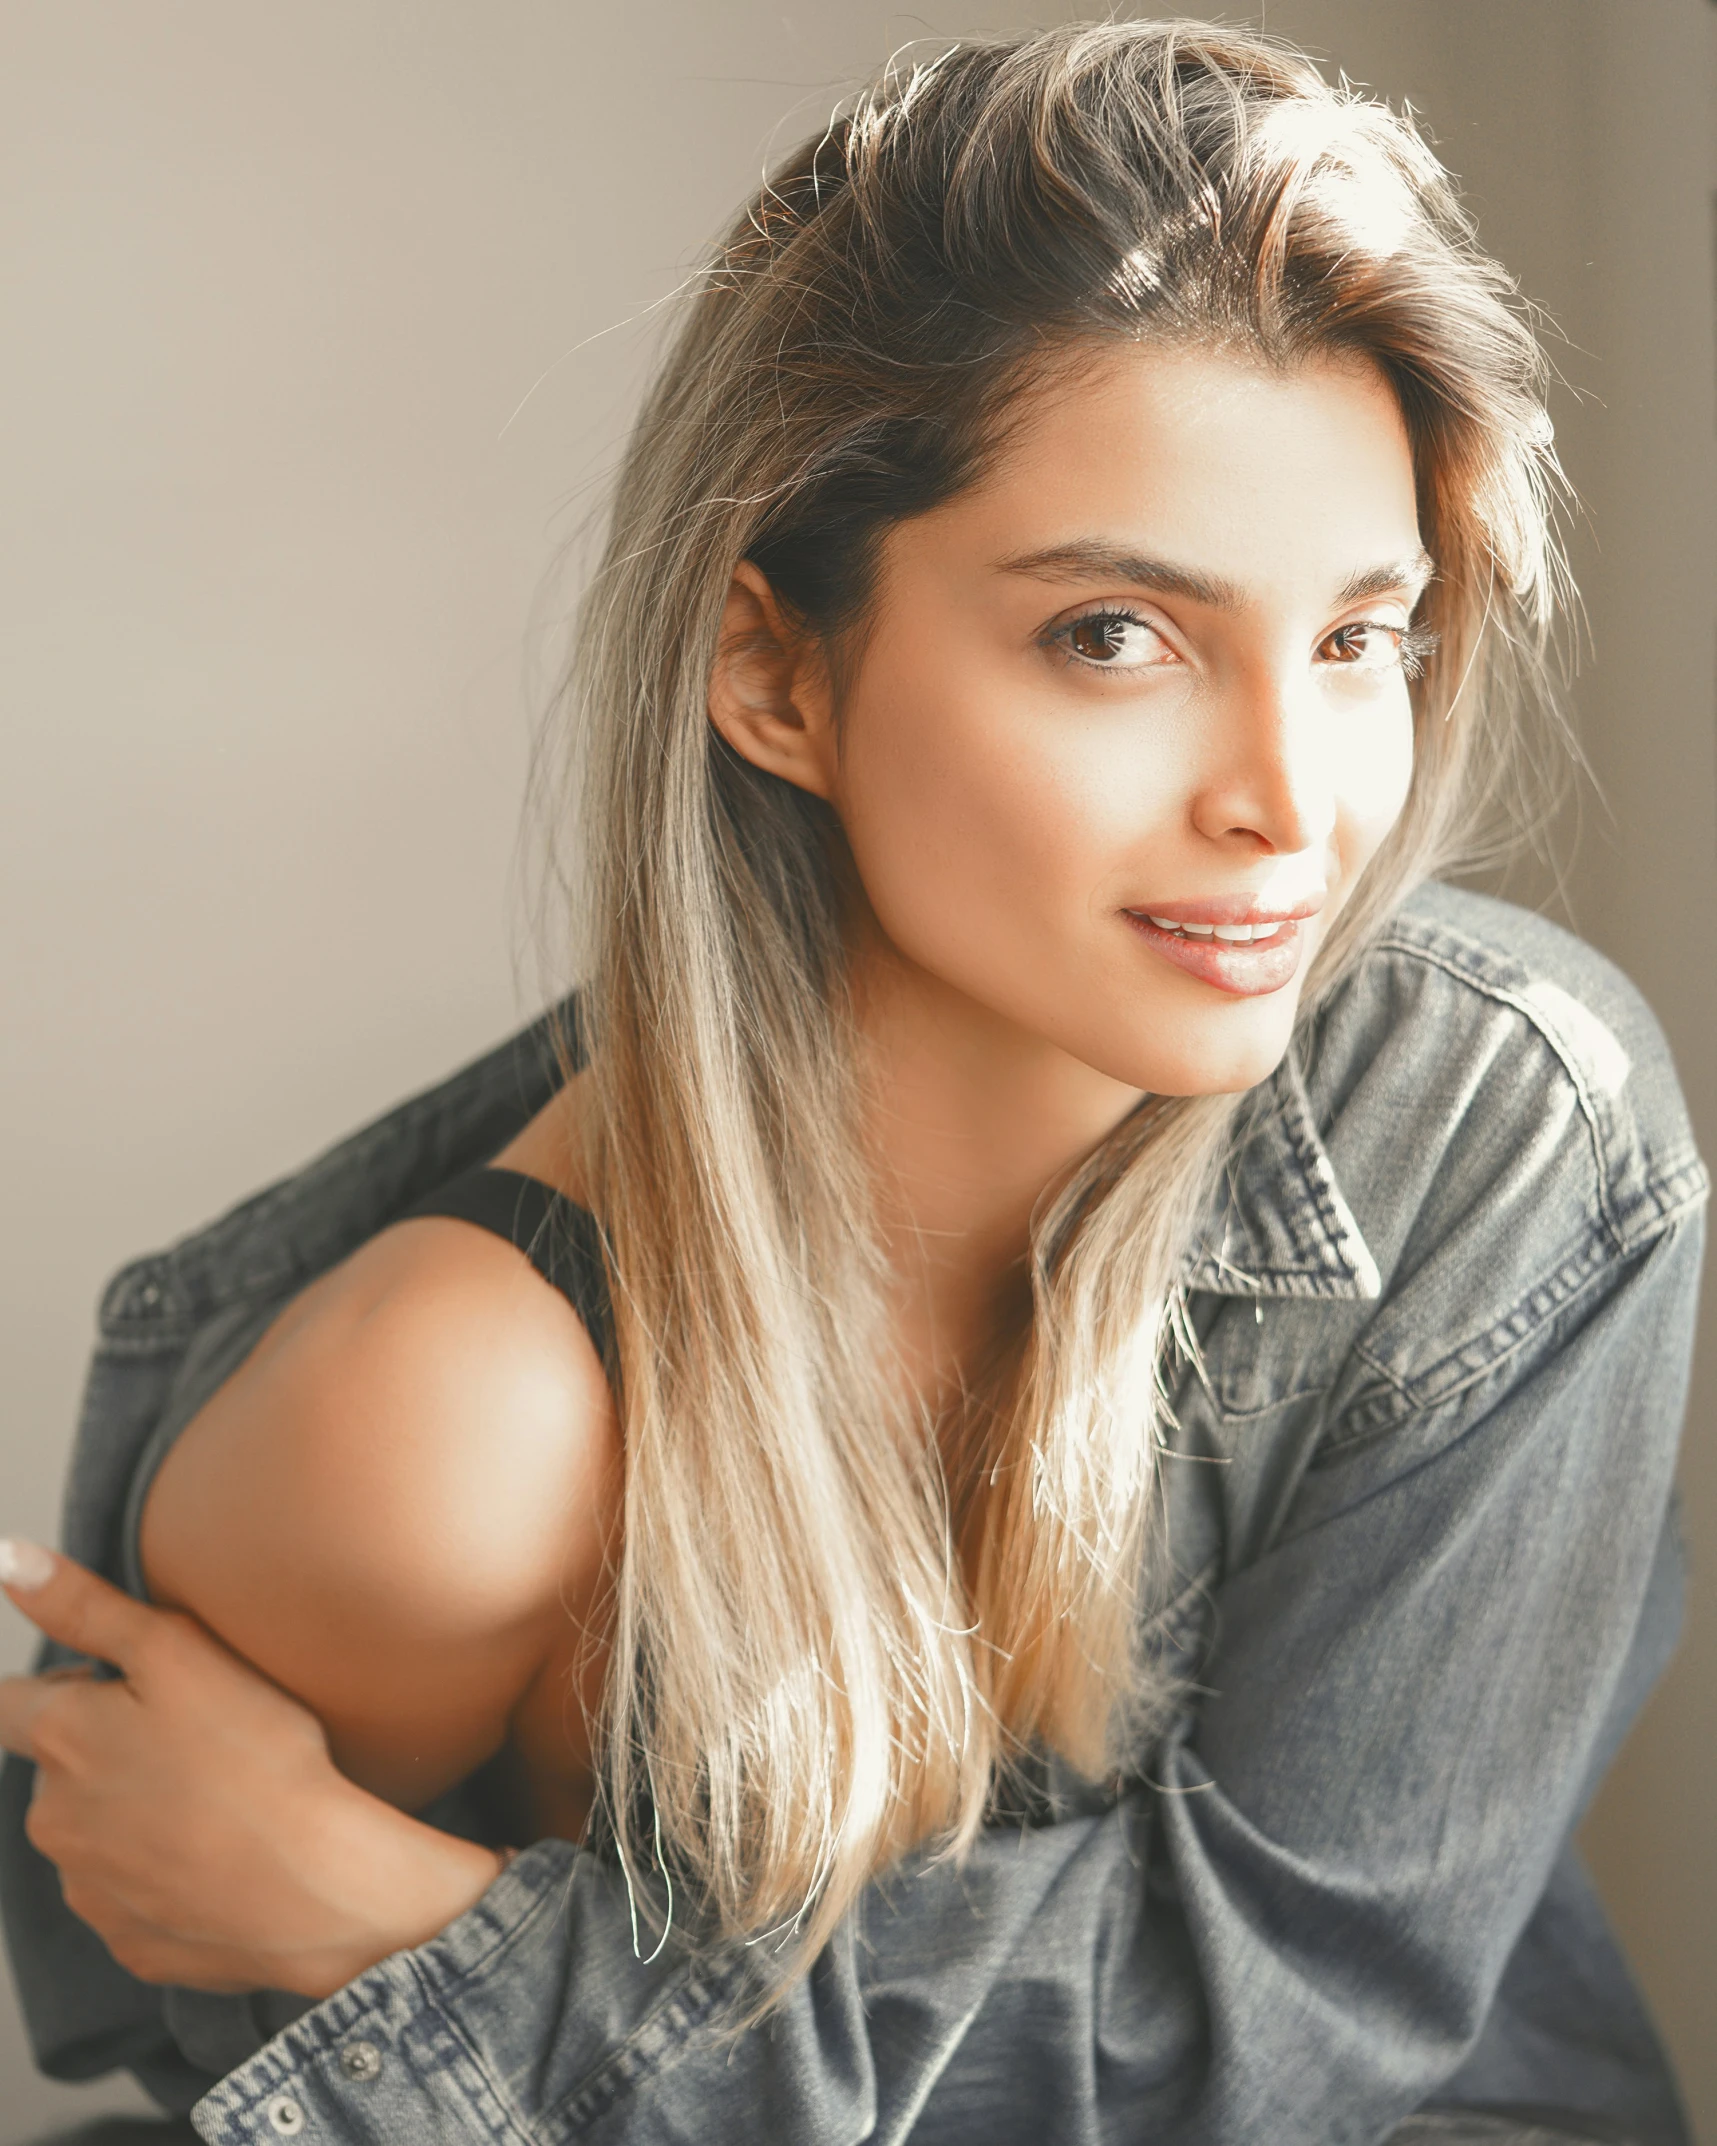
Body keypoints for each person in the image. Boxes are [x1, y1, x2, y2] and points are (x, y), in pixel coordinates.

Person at [0, 20, 1705, 2145]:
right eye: (1116, 635)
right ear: (776, 667)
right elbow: (213, 2026)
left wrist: (411, 1927)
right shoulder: (458, 1416)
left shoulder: (1492, 1123)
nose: (1297, 802)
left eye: (1361, 636)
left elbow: (1305, 2014)